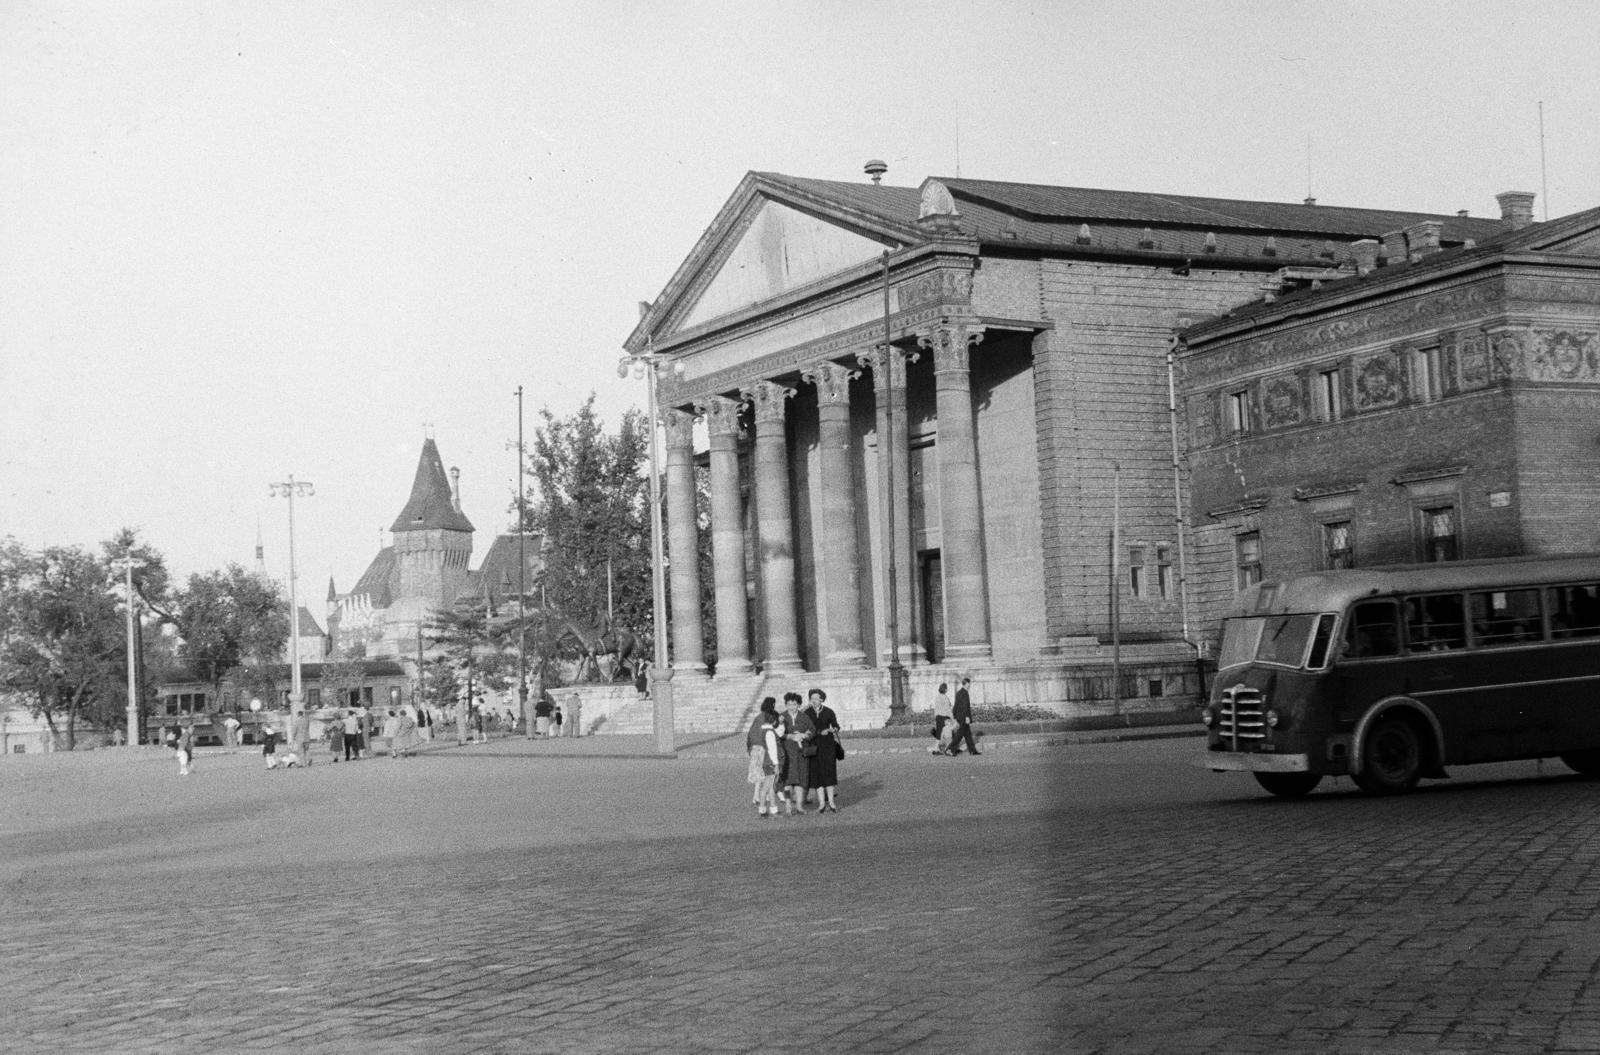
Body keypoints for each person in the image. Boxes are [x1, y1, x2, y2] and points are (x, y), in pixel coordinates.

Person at [806, 689, 842, 812]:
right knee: (817, 775)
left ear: (822, 699)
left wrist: (831, 730)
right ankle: (821, 804)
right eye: (812, 698)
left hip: (827, 746)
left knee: (829, 773)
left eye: (816, 698)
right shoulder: (807, 712)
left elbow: (836, 726)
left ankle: (831, 803)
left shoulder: (828, 712)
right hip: (814, 747)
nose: (814, 701)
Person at [750, 699, 781, 818]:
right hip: (770, 762)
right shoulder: (770, 732)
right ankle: (763, 810)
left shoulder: (762, 730)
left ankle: (772, 809)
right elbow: (772, 750)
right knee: (768, 787)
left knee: (769, 787)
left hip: (764, 761)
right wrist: (776, 764)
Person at [781, 693, 808, 815]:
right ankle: (787, 805)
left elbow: (811, 730)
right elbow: (776, 734)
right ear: (786, 705)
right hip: (786, 753)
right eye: (789, 704)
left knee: (799, 781)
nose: (792, 707)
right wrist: (790, 736)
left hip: (800, 753)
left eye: (794, 704)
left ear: (799, 705)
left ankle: (799, 806)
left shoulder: (804, 717)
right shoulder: (781, 717)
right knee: (787, 782)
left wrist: (804, 735)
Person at [949, 676, 980, 756]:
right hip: (963, 717)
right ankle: (949, 750)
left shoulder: (959, 693)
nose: (969, 685)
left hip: (960, 717)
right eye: (969, 683)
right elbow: (965, 706)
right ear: (966, 684)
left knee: (968, 735)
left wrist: (954, 715)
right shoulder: (965, 693)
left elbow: (956, 705)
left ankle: (973, 751)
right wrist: (967, 717)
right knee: (959, 735)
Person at [932, 682, 954, 755]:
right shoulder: (946, 698)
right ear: (945, 689)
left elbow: (936, 709)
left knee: (939, 733)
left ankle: (935, 749)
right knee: (948, 734)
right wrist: (952, 717)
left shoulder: (937, 698)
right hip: (945, 717)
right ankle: (948, 750)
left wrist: (935, 718)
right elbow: (948, 709)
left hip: (938, 717)